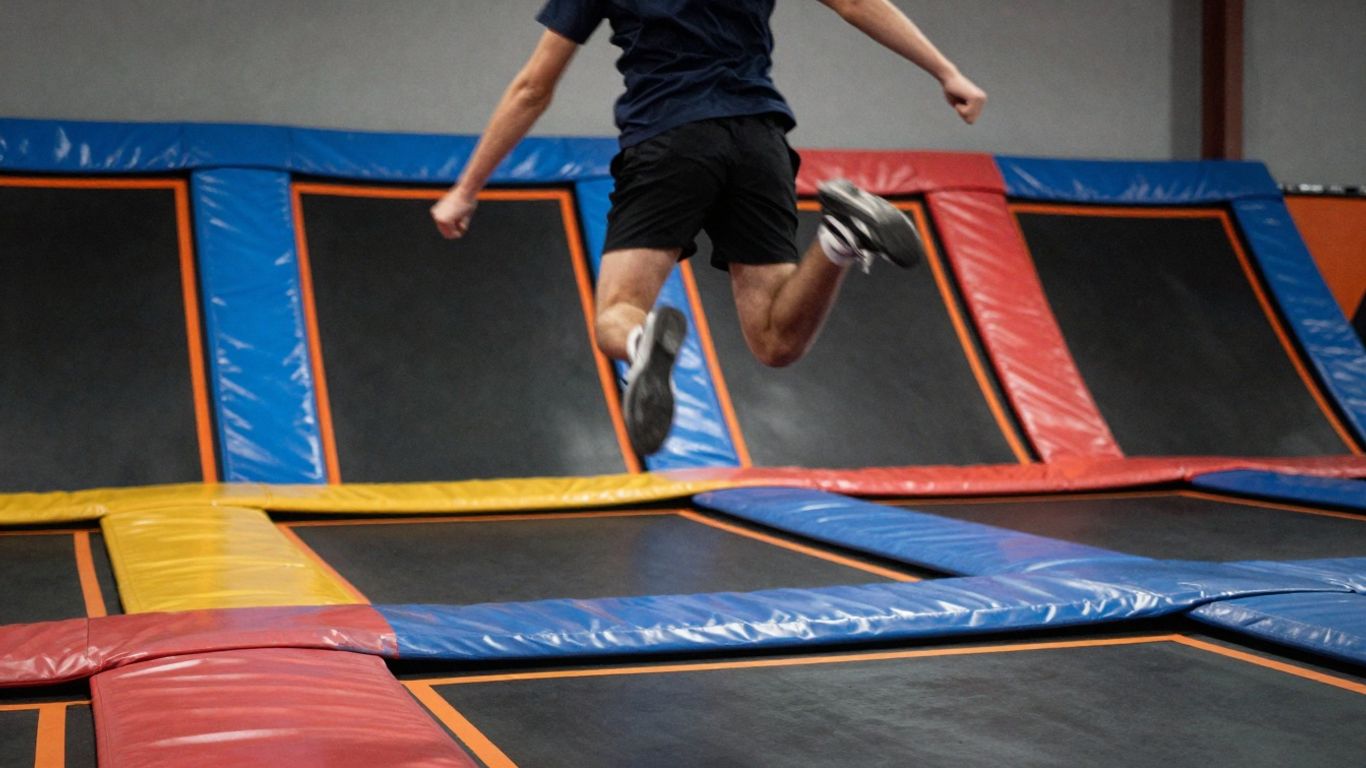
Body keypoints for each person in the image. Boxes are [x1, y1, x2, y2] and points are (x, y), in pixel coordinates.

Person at [432, 0, 986, 456]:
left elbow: (533, 86)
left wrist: (466, 188)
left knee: (614, 315)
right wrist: (946, 70)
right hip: (759, 142)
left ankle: (640, 340)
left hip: (670, 138)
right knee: (775, 341)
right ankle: (840, 238)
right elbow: (856, 2)